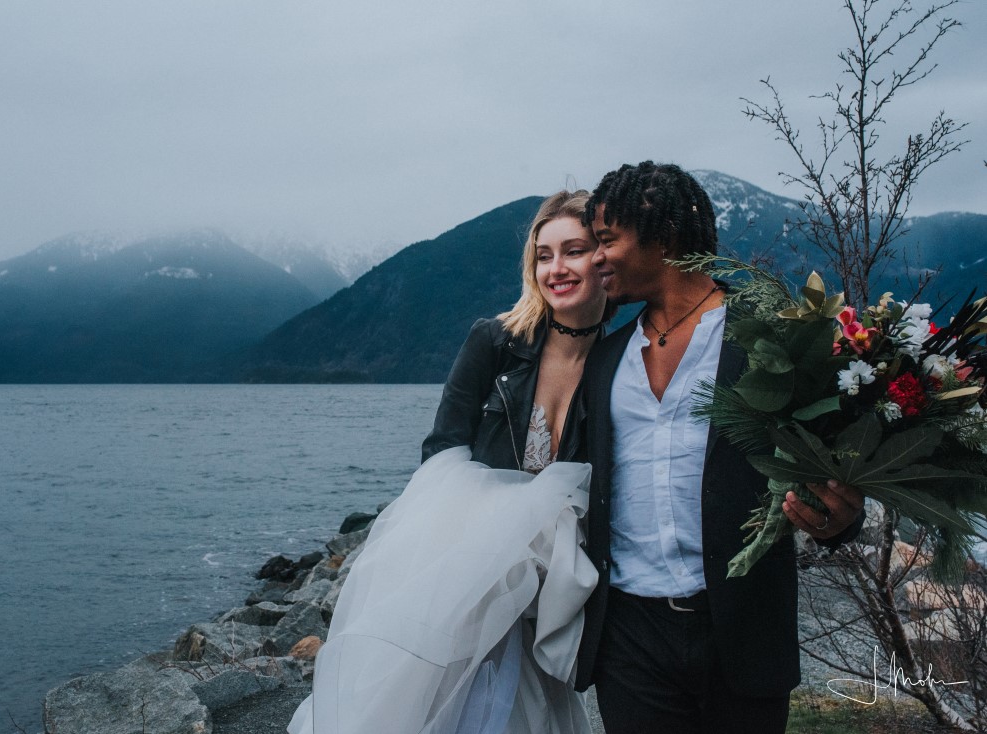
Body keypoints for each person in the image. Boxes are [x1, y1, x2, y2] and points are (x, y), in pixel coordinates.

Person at [288, 190, 608, 734]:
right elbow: (443, 449)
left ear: (603, 258)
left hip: (553, 588)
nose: (556, 269)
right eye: (544, 254)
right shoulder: (496, 341)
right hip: (468, 572)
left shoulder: (620, 357)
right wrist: (485, 543)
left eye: (572, 251)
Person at [574, 161, 865, 734]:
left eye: (606, 240)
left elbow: (835, 457)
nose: (595, 258)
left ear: (661, 235)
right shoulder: (603, 360)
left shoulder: (771, 335)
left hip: (745, 628)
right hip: (629, 639)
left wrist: (842, 521)